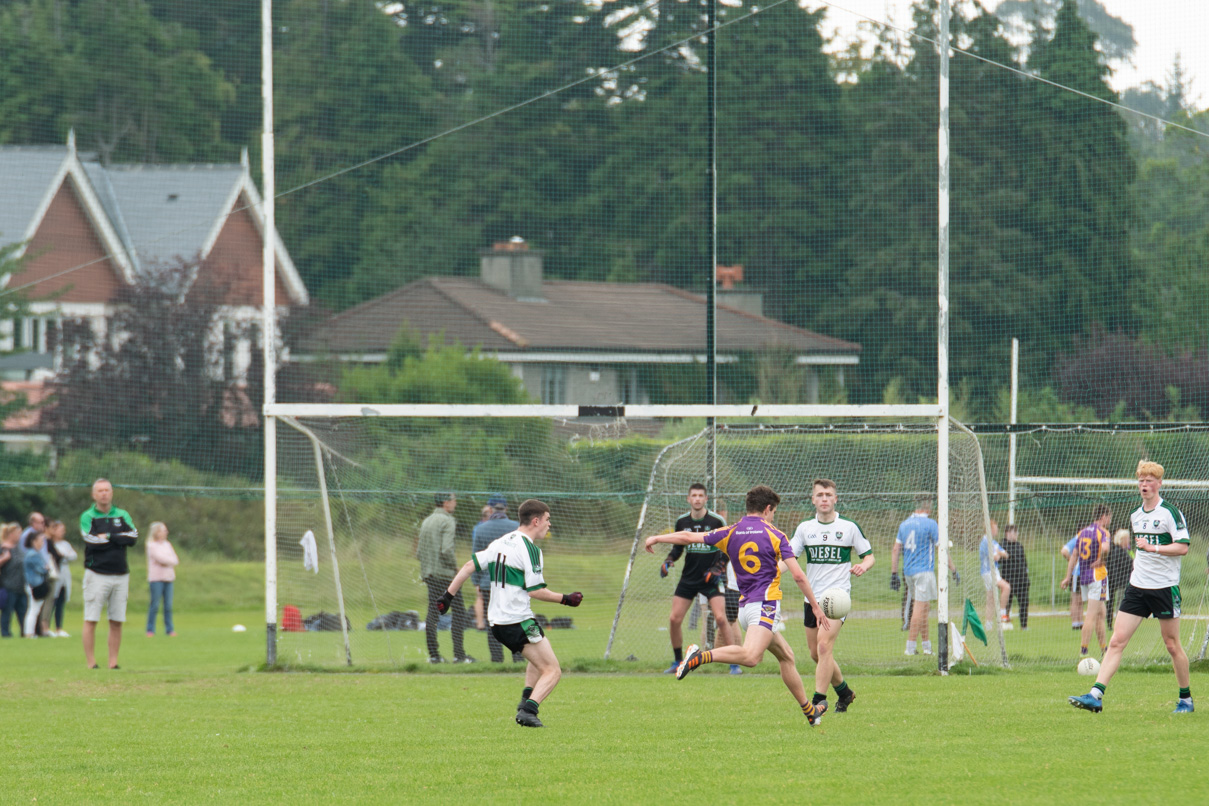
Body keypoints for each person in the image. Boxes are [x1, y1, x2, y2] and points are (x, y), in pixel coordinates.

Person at [646, 485, 830, 725]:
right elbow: (798, 576)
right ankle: (698, 657)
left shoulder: (730, 531)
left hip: (746, 609)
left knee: (786, 656)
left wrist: (658, 537)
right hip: (765, 606)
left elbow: (689, 537)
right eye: (773, 511)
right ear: (767, 509)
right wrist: (815, 606)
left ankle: (810, 711)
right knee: (752, 657)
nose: (773, 516)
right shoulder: (776, 535)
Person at [437, 499, 583, 728]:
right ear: (536, 521)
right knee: (553, 670)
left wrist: (447, 597)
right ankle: (528, 710)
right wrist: (566, 599)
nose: (549, 524)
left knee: (541, 654)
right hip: (517, 621)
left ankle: (525, 698)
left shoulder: (501, 542)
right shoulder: (531, 549)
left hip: (497, 623)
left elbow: (468, 566)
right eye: (547, 519)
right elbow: (536, 591)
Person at [1071, 461, 1193, 714]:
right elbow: (1141, 553)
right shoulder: (1136, 515)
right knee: (1116, 642)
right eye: (1141, 481)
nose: (1144, 485)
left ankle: (1186, 700)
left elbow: (1183, 547)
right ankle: (1096, 695)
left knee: (1172, 645)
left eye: (1150, 480)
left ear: (1159, 483)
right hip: (1137, 587)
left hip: (1164, 588)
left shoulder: (1170, 512)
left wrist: (1154, 548)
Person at [790, 478, 874, 714]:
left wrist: (863, 566)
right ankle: (845, 692)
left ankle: (818, 701)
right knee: (816, 654)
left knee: (825, 647)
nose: (824, 498)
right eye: (820, 495)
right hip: (811, 600)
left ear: (835, 499)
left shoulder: (848, 527)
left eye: (828, 494)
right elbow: (789, 560)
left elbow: (869, 556)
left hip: (837, 599)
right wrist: (771, 575)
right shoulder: (804, 528)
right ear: (813, 499)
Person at [658, 483, 737, 675]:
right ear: (688, 499)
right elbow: (678, 548)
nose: (697, 499)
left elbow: (728, 548)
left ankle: (735, 663)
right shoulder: (682, 522)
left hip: (712, 578)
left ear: (706, 499)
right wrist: (669, 560)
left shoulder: (717, 520)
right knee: (674, 618)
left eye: (701, 495)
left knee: (720, 618)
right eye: (694, 495)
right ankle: (678, 661)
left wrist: (718, 567)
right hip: (689, 577)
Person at [81, 478, 139, 669]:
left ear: (112, 493)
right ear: (94, 494)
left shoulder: (122, 515)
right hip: (97, 573)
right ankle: (91, 662)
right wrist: (118, 538)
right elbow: (91, 541)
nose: (104, 493)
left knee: (117, 620)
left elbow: (132, 537)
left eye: (107, 490)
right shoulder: (88, 516)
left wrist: (109, 536)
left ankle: (113, 662)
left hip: (121, 574)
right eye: (100, 491)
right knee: (91, 619)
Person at [889, 495, 956, 656]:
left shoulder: (904, 524)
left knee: (924, 607)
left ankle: (926, 646)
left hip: (908, 573)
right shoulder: (931, 524)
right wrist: (953, 569)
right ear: (928, 506)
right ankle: (910, 648)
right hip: (924, 572)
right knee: (919, 609)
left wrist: (894, 573)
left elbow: (896, 549)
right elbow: (942, 550)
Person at [417, 492, 473, 664]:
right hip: (446, 575)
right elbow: (447, 550)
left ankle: (434, 655)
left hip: (430, 574)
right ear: (446, 502)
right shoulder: (448, 520)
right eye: (454, 500)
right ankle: (459, 655)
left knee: (433, 613)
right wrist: (456, 567)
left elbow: (419, 552)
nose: (455, 503)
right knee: (459, 613)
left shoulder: (426, 521)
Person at [471, 494, 522, 663]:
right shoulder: (517, 528)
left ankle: (496, 658)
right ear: (506, 509)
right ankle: (518, 657)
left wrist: (476, 581)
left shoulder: (481, 529)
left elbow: (476, 558)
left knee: (492, 622)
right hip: (512, 583)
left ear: (490, 509)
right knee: (515, 619)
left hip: (488, 584)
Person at [1061, 504, 1112, 659]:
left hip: (1083, 577)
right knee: (1091, 615)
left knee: (1100, 613)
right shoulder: (1103, 532)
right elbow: (1105, 549)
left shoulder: (1082, 532)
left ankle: (1105, 650)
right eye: (1109, 517)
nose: (1109, 520)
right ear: (1103, 517)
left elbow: (1074, 556)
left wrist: (1068, 577)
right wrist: (1101, 560)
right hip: (1097, 576)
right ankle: (1083, 651)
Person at [145, 522, 180, 637]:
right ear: (157, 532)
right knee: (154, 605)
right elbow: (160, 559)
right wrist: (169, 561)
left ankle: (169, 629)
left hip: (168, 578)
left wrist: (169, 561)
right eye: (163, 530)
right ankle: (150, 629)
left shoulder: (167, 544)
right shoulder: (151, 545)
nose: (166, 532)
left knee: (168, 606)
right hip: (156, 579)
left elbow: (175, 559)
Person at [979, 520, 1010, 629]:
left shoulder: (993, 542)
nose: (997, 530)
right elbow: (996, 557)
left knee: (991, 598)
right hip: (988, 572)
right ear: (990, 529)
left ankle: (988, 625)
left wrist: (999, 552)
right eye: (995, 528)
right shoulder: (985, 542)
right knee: (1006, 587)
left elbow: (1006, 554)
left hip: (993, 571)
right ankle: (1002, 615)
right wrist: (999, 553)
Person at [49, 520, 77, 638]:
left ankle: (59, 627)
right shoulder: (50, 543)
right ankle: (46, 627)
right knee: (52, 601)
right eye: (60, 530)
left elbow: (73, 555)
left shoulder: (65, 544)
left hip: (64, 573)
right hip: (54, 572)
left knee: (61, 601)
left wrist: (64, 556)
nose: (63, 533)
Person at [999, 524, 1030, 630]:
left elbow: (1024, 562)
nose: (1016, 534)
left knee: (1024, 602)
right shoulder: (1002, 545)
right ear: (1007, 533)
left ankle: (1024, 626)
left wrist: (1026, 576)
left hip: (1021, 580)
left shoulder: (1019, 546)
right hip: (1009, 579)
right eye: (1014, 532)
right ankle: (1004, 622)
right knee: (1007, 603)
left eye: (1017, 532)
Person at [1, 522, 28, 637]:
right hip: (9, 585)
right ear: (11, 534)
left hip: (21, 586)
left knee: (23, 611)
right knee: (8, 611)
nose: (20, 536)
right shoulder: (4, 548)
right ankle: (6, 633)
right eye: (18, 533)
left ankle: (25, 632)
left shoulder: (18, 548)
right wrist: (4, 559)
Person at [22, 531, 51, 638]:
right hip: (35, 584)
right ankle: (29, 633)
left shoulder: (30, 553)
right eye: (40, 541)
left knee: (33, 610)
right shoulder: (33, 554)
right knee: (33, 610)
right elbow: (42, 569)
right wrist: (46, 568)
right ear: (33, 542)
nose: (42, 543)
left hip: (31, 584)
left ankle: (30, 632)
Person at [472, 503, 495, 630]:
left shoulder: (478, 528)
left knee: (481, 596)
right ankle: (482, 623)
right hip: (486, 564)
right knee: (482, 597)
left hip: (483, 565)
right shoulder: (482, 528)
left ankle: (481, 624)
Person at [1105, 529, 1133, 630]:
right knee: (1118, 602)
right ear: (1123, 539)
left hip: (1120, 581)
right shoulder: (1118, 551)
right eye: (1128, 538)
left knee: (1118, 602)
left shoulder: (1124, 550)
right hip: (1118, 581)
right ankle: (1118, 624)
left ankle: (1117, 623)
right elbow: (1126, 565)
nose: (1129, 540)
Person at [1060, 535, 1083, 630]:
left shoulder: (1086, 538)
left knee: (1081, 600)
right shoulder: (1077, 538)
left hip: (1085, 573)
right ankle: (1075, 623)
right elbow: (1064, 551)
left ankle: (1080, 622)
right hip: (1076, 574)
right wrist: (1073, 562)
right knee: (1075, 599)